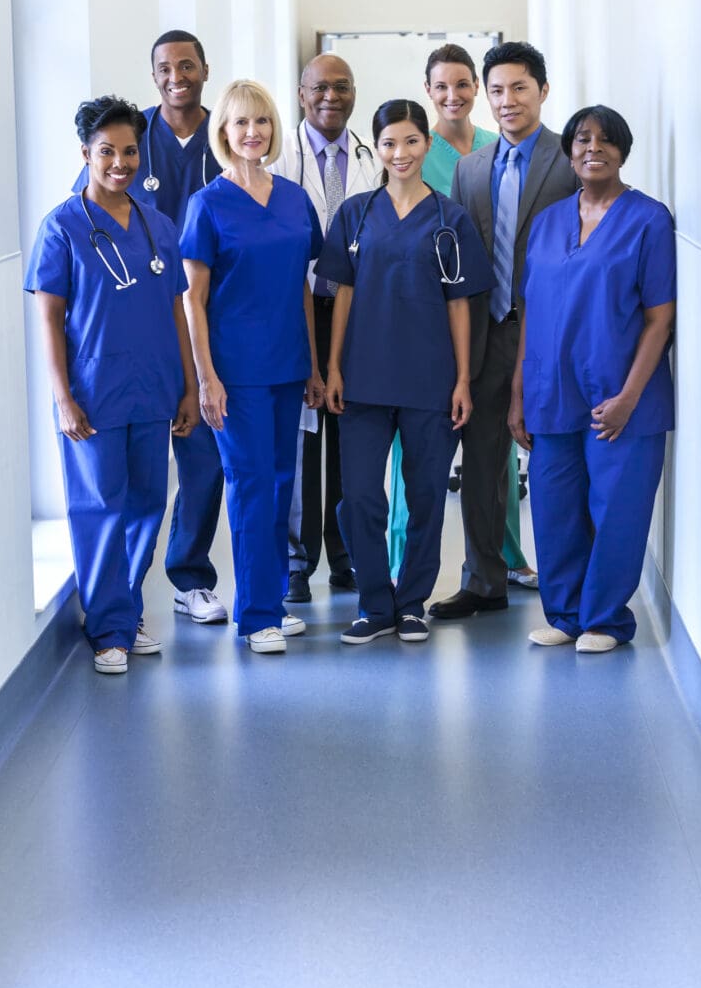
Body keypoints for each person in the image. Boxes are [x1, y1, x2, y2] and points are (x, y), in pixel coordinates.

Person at [26, 96, 199, 674]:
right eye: (107, 152)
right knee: (100, 508)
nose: (120, 162)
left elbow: (178, 310)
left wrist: (189, 385)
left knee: (148, 504)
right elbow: (49, 317)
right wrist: (63, 398)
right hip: (93, 394)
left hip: (153, 388)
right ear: (86, 155)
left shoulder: (159, 225)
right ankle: (108, 630)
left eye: (129, 151)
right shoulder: (63, 226)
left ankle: (123, 611)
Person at [316, 99, 494, 645]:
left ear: (426, 145)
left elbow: (460, 303)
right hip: (364, 378)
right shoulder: (355, 214)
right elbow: (341, 294)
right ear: (378, 147)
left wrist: (463, 380)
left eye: (412, 141)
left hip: (429, 380)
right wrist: (333, 367)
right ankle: (375, 603)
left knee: (425, 497)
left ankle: (411, 601)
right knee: (362, 497)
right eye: (389, 142)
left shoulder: (450, 218)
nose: (400, 153)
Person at [74, 29, 229, 627]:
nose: (176, 76)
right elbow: (84, 222)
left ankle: (190, 578)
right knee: (130, 485)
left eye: (187, 65)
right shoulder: (128, 136)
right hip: (140, 331)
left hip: (207, 324)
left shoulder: (225, 135)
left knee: (202, 460)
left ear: (204, 70)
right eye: (164, 68)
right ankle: (124, 601)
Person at [509, 106, 676, 652]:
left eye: (606, 140)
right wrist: (518, 394)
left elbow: (660, 318)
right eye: (582, 139)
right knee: (554, 508)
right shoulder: (549, 221)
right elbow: (531, 309)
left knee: (618, 511)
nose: (592, 148)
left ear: (623, 151)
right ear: (569, 150)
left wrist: (629, 396)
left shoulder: (649, 220)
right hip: (551, 393)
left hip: (622, 399)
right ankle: (564, 614)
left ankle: (604, 619)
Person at [430, 41, 578, 621]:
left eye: (519, 87)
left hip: (549, 337)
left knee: (556, 461)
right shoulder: (469, 169)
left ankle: (569, 580)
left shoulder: (570, 160)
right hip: (486, 335)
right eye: (496, 90)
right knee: (482, 463)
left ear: (543, 90)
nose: (507, 100)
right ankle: (484, 580)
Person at [179, 80, 324, 653]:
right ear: (224, 133)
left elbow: (304, 288)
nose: (252, 132)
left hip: (288, 363)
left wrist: (312, 364)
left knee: (283, 484)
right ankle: (258, 615)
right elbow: (192, 298)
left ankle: (262, 598)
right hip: (235, 372)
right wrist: (206, 377)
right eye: (240, 123)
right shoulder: (208, 203)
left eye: (261, 122)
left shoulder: (293, 198)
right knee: (250, 485)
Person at [388, 43, 536, 590]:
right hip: (427, 316)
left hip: (491, 315)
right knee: (415, 452)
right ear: (428, 91)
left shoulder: (501, 148)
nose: (453, 95)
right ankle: (401, 563)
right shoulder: (412, 150)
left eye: (463, 84)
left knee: (492, 449)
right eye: (441, 86)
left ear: (477, 88)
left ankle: (508, 554)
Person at [270, 53, 379, 604]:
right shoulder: (278, 159)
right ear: (300, 93)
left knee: (348, 437)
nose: (330, 97)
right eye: (319, 88)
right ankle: (296, 561)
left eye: (342, 86)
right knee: (299, 438)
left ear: (354, 92)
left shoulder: (371, 155)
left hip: (356, 313)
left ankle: (344, 557)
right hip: (300, 307)